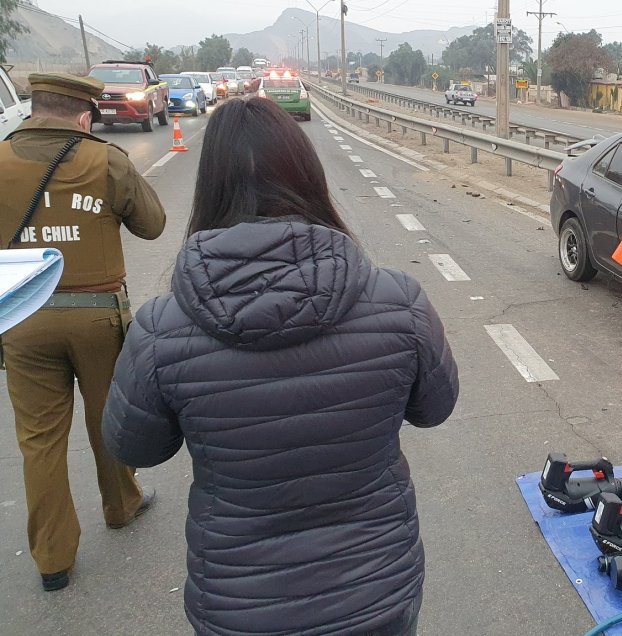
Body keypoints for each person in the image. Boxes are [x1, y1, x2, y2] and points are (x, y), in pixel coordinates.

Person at [101, 98, 459, 636]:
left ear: (210, 188)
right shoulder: (397, 302)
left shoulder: (161, 329)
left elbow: (135, 448)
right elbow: (434, 409)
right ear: (310, 178)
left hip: (239, 606)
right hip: (378, 592)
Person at [0, 73, 166, 592]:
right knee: (105, 419)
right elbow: (153, 224)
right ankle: (121, 505)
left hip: (22, 318)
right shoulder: (105, 158)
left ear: (34, 109)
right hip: (97, 315)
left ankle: (52, 559)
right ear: (82, 115)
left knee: (39, 441)